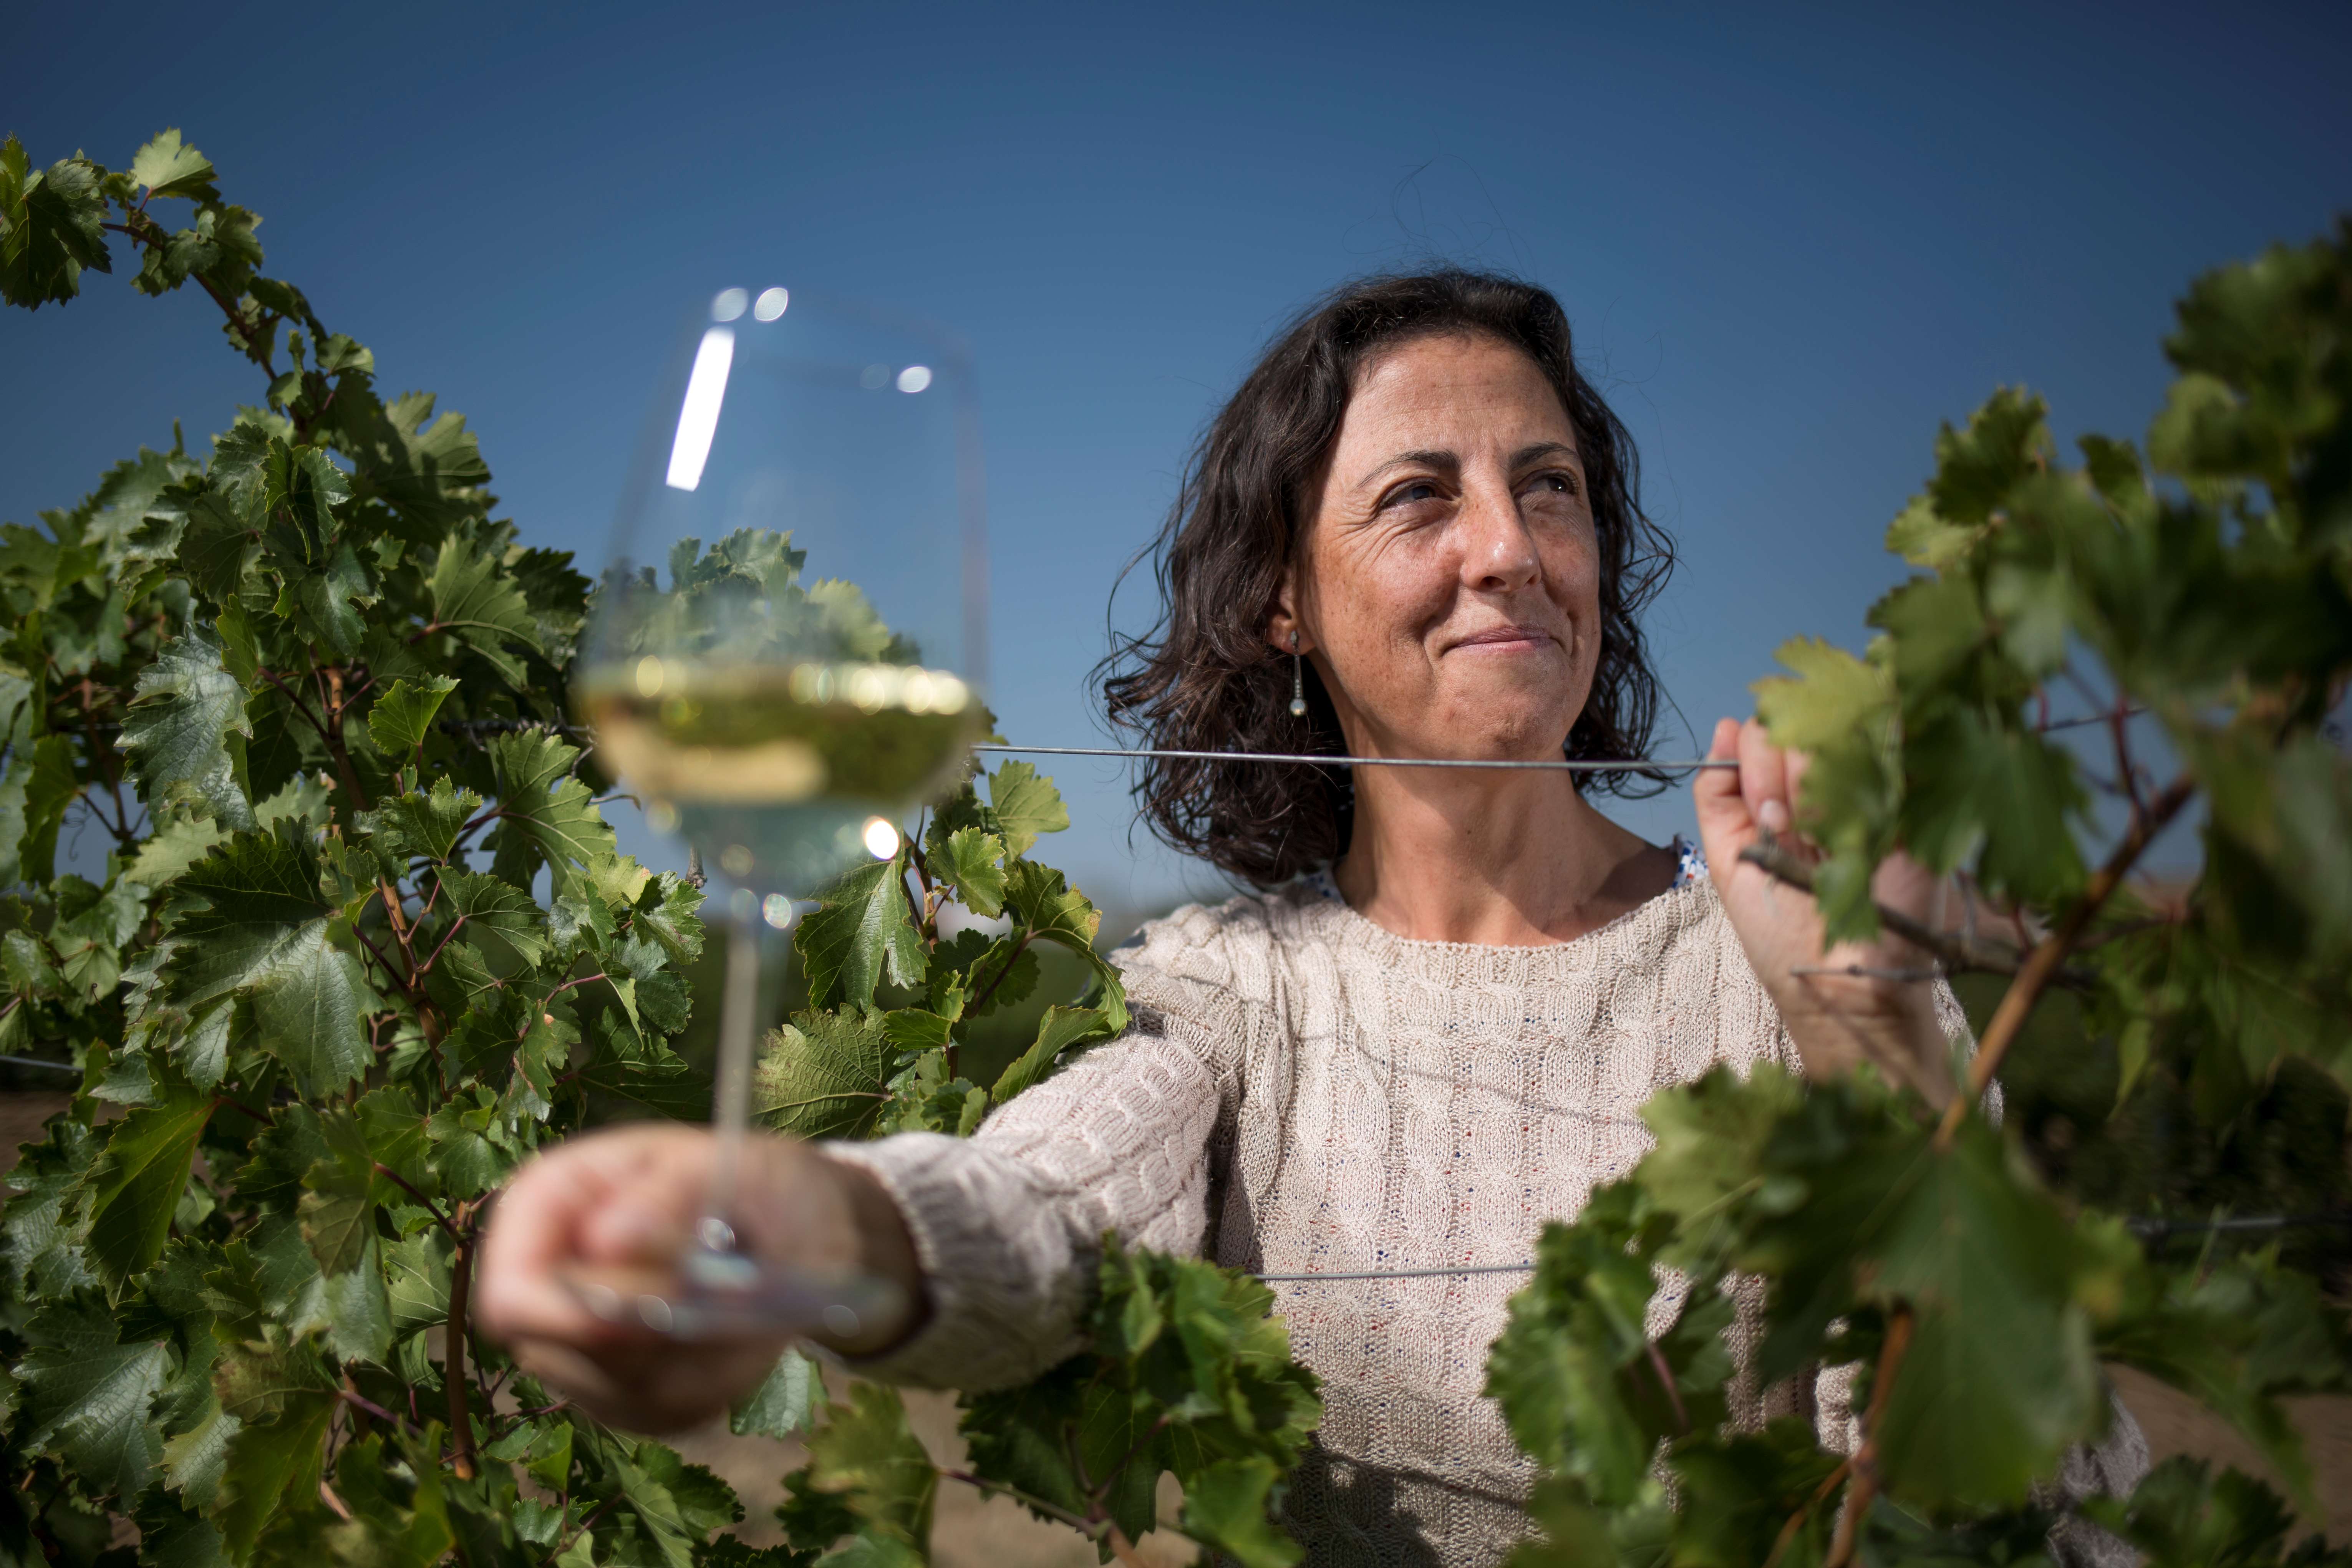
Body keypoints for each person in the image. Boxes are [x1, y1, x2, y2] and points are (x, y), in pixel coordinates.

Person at [477, 271, 2144, 1565]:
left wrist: (1874, 1041)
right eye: (1422, 496)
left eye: (1549, 488)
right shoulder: (1229, 994)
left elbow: (2050, 1509)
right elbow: (1038, 1216)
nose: (1509, 548)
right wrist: (802, 1229)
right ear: (1283, 595)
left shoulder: (1784, 963)